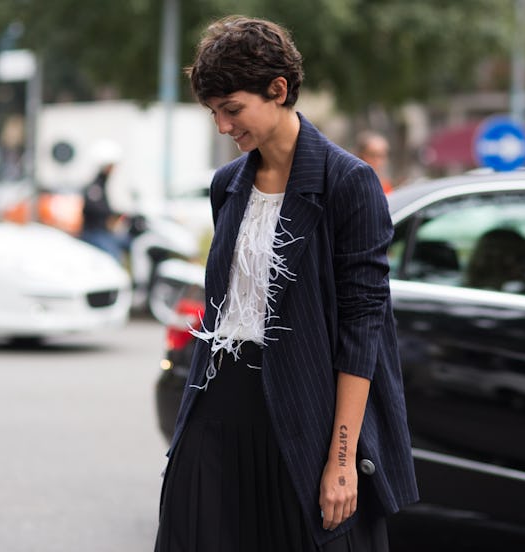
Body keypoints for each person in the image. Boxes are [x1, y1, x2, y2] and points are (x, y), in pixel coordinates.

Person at [155, 16, 418, 552]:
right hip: (217, 402)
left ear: (278, 90)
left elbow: (362, 329)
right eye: (213, 113)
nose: (223, 127)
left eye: (232, 109)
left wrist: (342, 460)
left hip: (304, 410)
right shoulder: (228, 185)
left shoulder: (348, 183)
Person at [79, 140, 130, 262]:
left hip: (103, 232)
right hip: (95, 233)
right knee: (113, 257)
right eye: (112, 166)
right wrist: (113, 215)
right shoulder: (95, 187)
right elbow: (95, 208)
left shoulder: (102, 185)